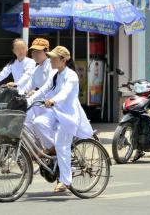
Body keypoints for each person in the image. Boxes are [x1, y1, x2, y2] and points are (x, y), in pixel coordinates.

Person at [27, 46, 93, 193]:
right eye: (50, 57)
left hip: (68, 116)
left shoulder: (72, 76)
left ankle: (65, 181)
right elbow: (43, 90)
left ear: (63, 60)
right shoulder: (55, 74)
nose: (50, 60)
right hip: (55, 112)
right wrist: (28, 100)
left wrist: (53, 100)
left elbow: (64, 93)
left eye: (53, 58)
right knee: (38, 122)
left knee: (62, 146)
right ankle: (52, 149)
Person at [23, 38, 56, 133]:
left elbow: (50, 85)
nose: (35, 55)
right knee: (26, 121)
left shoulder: (51, 65)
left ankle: (50, 147)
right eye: (33, 52)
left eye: (38, 52)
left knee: (37, 124)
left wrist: (36, 92)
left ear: (47, 51)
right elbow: (28, 86)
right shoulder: (36, 69)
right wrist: (17, 92)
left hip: (52, 105)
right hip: (39, 104)